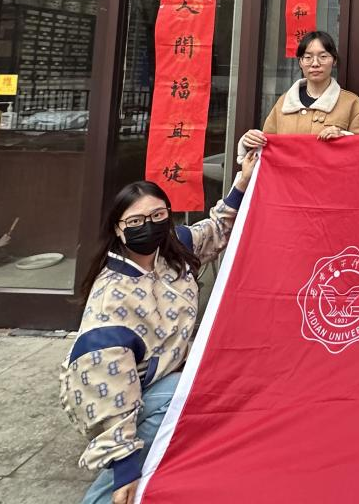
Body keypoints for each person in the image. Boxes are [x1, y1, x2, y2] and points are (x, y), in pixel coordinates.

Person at [60, 149, 257, 504]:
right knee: (175, 402)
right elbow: (104, 385)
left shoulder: (173, 252)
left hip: (161, 376)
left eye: (157, 215)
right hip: (122, 397)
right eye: (135, 221)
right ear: (118, 229)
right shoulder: (112, 299)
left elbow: (216, 228)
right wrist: (123, 464)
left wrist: (243, 179)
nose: (148, 226)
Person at [239, 31, 359, 154]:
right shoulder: (284, 102)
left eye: (323, 56)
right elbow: (267, 146)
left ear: (334, 60)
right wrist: (251, 141)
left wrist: (344, 138)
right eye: (307, 57)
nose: (315, 63)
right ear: (300, 62)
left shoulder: (351, 103)